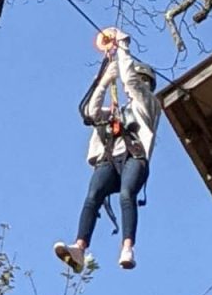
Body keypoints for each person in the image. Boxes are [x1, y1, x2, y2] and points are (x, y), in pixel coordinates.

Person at [54, 27, 161, 273]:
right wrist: (105, 80)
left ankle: (127, 246)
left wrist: (122, 48)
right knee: (93, 196)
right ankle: (80, 247)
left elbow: (132, 81)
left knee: (126, 194)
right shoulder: (118, 111)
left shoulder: (148, 106)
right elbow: (91, 111)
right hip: (110, 159)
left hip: (134, 157)